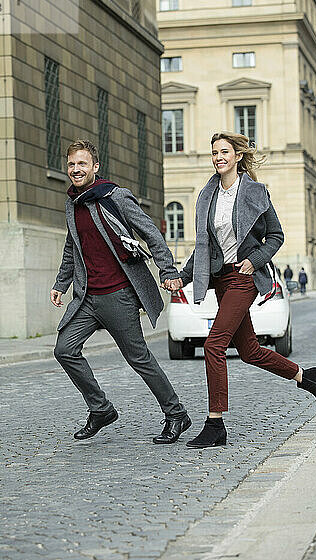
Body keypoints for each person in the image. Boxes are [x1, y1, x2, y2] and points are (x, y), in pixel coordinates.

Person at [163, 132, 316, 449]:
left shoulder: (254, 192)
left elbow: (275, 236)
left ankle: (215, 424)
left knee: (213, 346)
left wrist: (255, 260)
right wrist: (182, 277)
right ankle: (306, 377)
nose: (218, 157)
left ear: (237, 156)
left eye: (224, 152)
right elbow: (204, 247)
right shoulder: (207, 195)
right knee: (250, 351)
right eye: (214, 153)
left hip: (243, 277)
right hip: (221, 279)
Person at [51, 139, 191, 444]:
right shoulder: (72, 202)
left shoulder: (114, 196)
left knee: (138, 357)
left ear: (95, 167)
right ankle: (100, 409)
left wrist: (167, 270)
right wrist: (61, 283)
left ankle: (176, 413)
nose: (76, 169)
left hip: (118, 294)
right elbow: (71, 246)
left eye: (82, 164)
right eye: (72, 164)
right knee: (64, 350)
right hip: (87, 297)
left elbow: (151, 233)